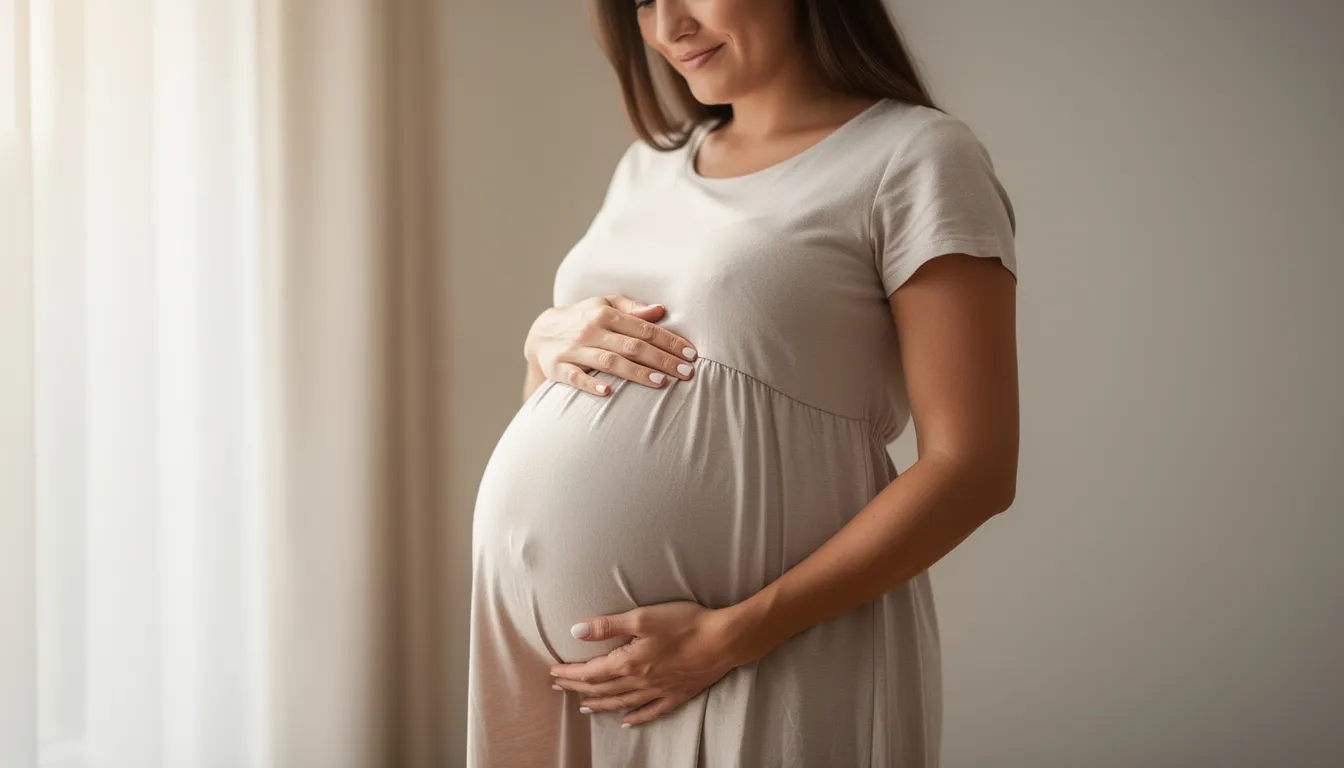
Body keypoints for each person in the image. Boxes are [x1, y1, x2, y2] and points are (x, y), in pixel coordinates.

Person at [466, 0, 1019, 765]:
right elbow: (573, 405)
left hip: (764, 650)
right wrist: (542, 347)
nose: (667, 29)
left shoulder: (915, 155)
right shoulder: (645, 168)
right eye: (643, 3)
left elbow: (974, 469)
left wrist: (734, 635)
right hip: (565, 675)